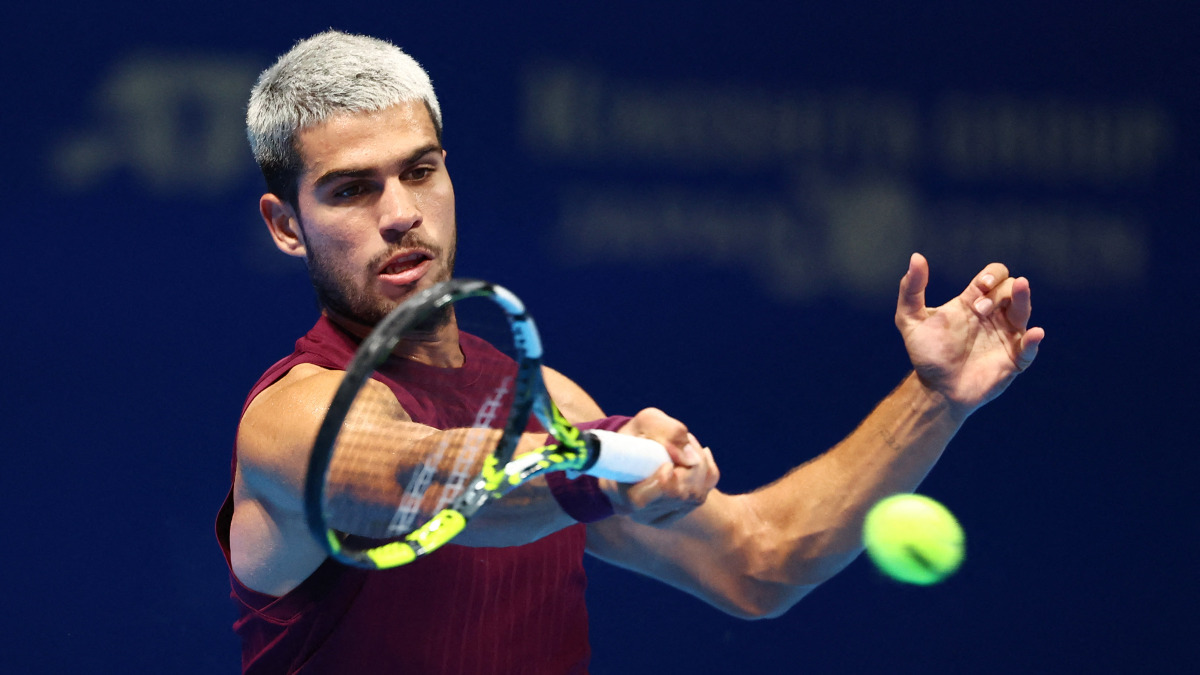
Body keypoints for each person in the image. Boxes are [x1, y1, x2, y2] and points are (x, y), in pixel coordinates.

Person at [215, 30, 1044, 675]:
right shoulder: (291, 419)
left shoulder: (549, 403)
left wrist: (935, 397)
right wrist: (601, 465)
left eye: (420, 170)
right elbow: (422, 481)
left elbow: (761, 560)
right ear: (286, 225)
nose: (401, 212)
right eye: (352, 189)